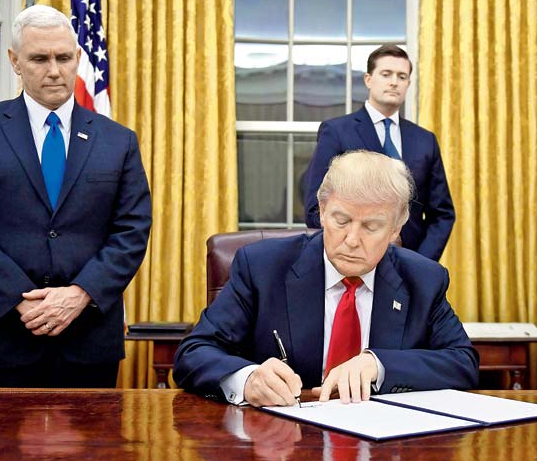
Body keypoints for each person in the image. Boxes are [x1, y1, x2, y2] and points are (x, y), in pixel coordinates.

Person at [0, 5, 151, 388]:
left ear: (78, 58)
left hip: (86, 346)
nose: (54, 70)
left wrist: (81, 294)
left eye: (64, 57)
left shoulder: (119, 140)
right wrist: (20, 299)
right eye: (39, 58)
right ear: (15, 62)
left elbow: (131, 230)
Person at [174, 150, 477, 407]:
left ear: (396, 229)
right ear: (321, 211)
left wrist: (380, 365)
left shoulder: (423, 279)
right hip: (283, 439)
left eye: (371, 227)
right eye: (341, 220)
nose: (352, 239)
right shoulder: (262, 267)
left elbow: (463, 363)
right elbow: (194, 353)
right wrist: (247, 378)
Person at [303, 45, 455, 261]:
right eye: (386, 74)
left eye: (402, 77)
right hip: (351, 261)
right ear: (368, 79)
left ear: (408, 84)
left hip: (409, 265)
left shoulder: (425, 140)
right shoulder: (337, 132)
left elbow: (442, 213)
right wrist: (348, 248)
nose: (394, 82)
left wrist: (421, 263)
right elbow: (315, 207)